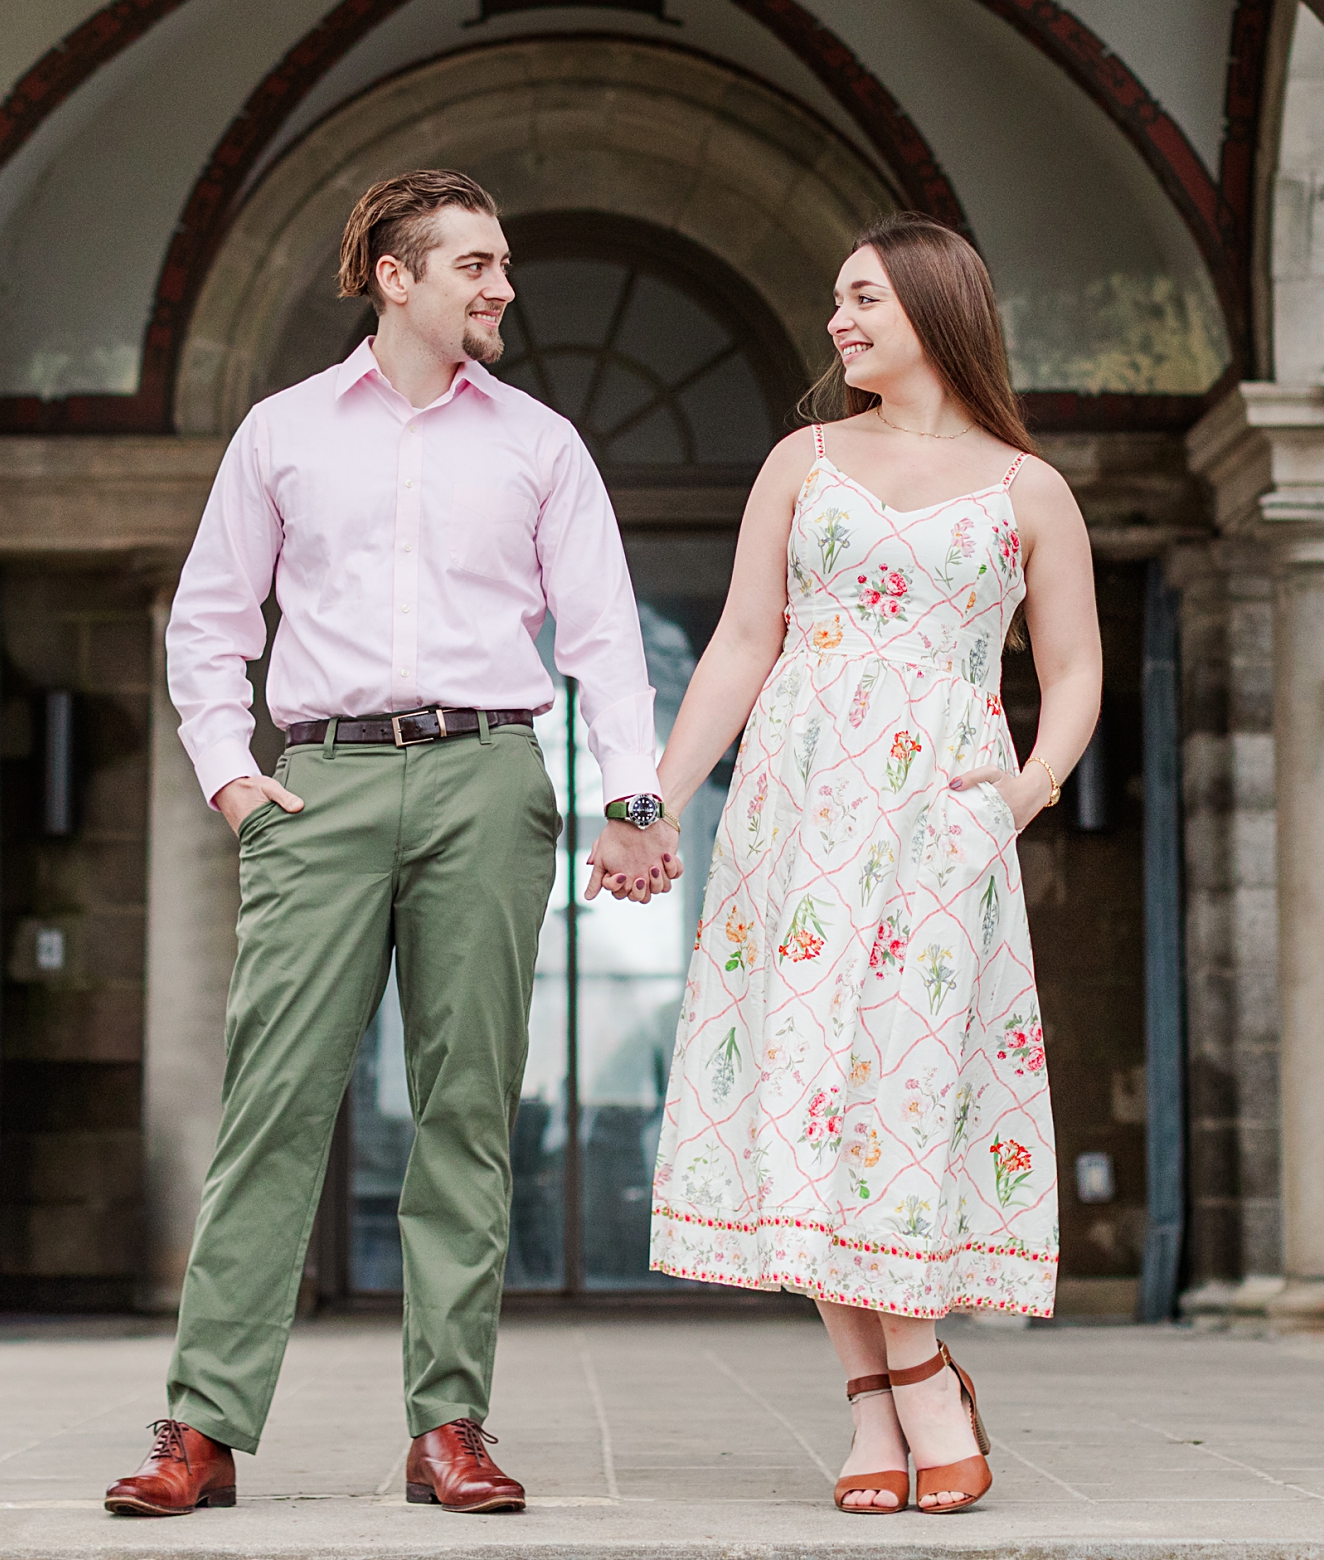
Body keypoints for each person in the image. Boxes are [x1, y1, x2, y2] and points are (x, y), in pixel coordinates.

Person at [108, 168, 682, 1519]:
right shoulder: (283, 433)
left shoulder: (541, 443)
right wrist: (231, 777)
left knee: (467, 1110)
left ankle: (449, 1427)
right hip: (322, 786)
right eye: (477, 265)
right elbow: (209, 621)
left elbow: (605, 636)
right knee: (272, 1102)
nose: (503, 288)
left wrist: (632, 797)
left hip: (489, 775)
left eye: (501, 264)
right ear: (395, 275)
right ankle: (202, 1429)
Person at [642, 215, 1100, 1517]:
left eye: (863, 300)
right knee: (805, 1090)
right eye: (837, 301)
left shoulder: (1027, 490)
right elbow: (743, 638)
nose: (837, 323)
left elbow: (1073, 667)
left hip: (941, 819)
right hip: (794, 813)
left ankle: (914, 1385)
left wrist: (1026, 790)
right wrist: (657, 798)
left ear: (933, 308)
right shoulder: (802, 462)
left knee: (896, 1093)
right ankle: (891, 1395)